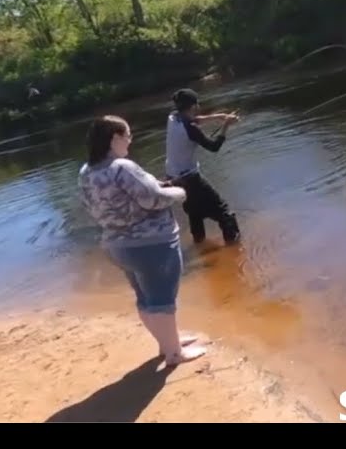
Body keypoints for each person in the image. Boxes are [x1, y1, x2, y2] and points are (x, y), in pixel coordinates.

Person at [77, 115, 207, 367]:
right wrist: (179, 192)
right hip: (152, 244)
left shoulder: (86, 172)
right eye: (127, 136)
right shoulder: (122, 167)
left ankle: (168, 343)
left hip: (117, 246)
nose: (130, 141)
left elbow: (91, 205)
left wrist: (154, 187)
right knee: (163, 300)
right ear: (114, 138)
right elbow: (153, 199)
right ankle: (174, 354)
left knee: (146, 298)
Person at [164, 89, 241, 245]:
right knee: (225, 213)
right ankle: (234, 250)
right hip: (190, 179)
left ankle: (200, 247)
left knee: (195, 213)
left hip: (173, 178)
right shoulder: (191, 129)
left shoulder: (172, 117)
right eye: (197, 104)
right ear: (193, 106)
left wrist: (217, 117)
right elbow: (214, 147)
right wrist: (226, 125)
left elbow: (193, 119)